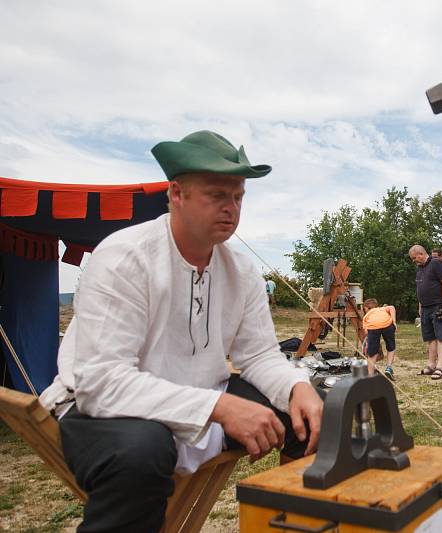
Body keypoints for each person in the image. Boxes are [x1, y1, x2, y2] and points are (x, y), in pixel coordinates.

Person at [39, 130, 324, 532]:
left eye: (238, 197)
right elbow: (101, 382)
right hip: (104, 409)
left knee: (313, 412)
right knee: (139, 453)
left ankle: (294, 522)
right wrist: (219, 408)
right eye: (216, 195)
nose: (231, 208)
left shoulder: (241, 270)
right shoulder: (125, 258)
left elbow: (258, 355)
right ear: (177, 194)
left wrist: (297, 386)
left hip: (205, 392)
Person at [409, 245, 442, 380]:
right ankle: (431, 365)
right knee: (430, 337)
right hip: (425, 307)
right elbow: (420, 288)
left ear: (421, 253)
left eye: (414, 258)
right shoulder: (419, 269)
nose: (414, 261)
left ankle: (440, 367)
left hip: (438, 305)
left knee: (441, 336)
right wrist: (420, 306)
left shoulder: (437, 263)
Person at [362, 298, 397, 380]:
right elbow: (392, 307)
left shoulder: (366, 317)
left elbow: (366, 332)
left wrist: (369, 341)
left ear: (366, 308)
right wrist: (394, 322)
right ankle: (389, 368)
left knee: (372, 352)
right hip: (387, 324)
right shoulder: (382, 309)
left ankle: (370, 375)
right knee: (391, 347)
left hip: (373, 326)